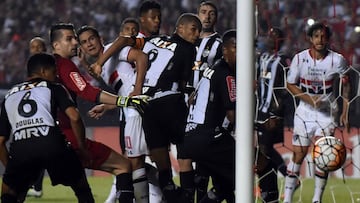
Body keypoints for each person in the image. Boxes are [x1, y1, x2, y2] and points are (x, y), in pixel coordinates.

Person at [89, 13, 202, 203]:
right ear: (180, 28)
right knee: (183, 150)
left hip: (146, 105)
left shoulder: (153, 40)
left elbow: (125, 40)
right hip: (166, 101)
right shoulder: (188, 48)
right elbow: (183, 83)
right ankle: (184, 193)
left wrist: (100, 63)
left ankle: (167, 188)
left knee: (151, 156)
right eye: (194, 29)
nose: (197, 34)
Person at [49, 22, 148, 203]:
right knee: (126, 165)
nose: (76, 44)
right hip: (69, 137)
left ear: (100, 39)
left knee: (83, 190)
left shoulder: (50, 67)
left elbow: (97, 71)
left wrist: (86, 63)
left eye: (76, 39)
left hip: (48, 137)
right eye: (70, 39)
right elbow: (87, 91)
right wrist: (123, 101)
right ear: (56, 45)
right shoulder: (66, 66)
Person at [0, 53, 94, 203]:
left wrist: (12, 169)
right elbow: (74, 117)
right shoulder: (55, 88)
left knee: (9, 192)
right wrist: (82, 148)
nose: (56, 76)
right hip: (52, 145)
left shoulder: (9, 95)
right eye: (54, 71)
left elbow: (0, 141)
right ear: (43, 71)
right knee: (81, 186)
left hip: (21, 150)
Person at [283, 22, 350, 203]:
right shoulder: (299, 58)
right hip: (304, 112)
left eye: (323, 36)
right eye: (316, 36)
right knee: (298, 154)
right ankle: (288, 197)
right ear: (310, 39)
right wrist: (308, 99)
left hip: (327, 113)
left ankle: (316, 199)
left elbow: (346, 83)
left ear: (328, 38)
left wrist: (345, 109)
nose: (320, 39)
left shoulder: (337, 60)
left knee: (323, 155)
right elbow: (290, 84)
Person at [177, 29, 236, 203]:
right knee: (247, 168)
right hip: (208, 137)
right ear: (225, 50)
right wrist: (255, 126)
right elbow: (233, 115)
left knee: (224, 186)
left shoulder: (212, 69)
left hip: (192, 134)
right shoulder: (226, 74)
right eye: (237, 48)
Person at [179, 2, 224, 202]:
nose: (207, 17)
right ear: (197, 15)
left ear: (216, 18)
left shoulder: (220, 45)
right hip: (180, 106)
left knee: (203, 157)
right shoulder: (186, 41)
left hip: (207, 108)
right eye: (203, 12)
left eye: (211, 14)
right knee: (185, 155)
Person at [254, 27, 293, 202]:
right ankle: (275, 183)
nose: (270, 38)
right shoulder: (262, 57)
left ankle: (269, 188)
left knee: (264, 149)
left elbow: (288, 87)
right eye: (269, 35)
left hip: (272, 113)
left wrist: (278, 112)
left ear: (281, 40)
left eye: (275, 36)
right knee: (264, 150)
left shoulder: (284, 60)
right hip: (258, 111)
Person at [25, 36, 48, 198]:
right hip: (35, 116)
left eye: (39, 47)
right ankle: (36, 187)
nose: (36, 49)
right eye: (33, 47)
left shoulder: (50, 67)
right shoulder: (30, 69)